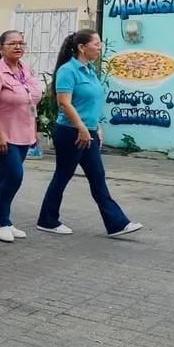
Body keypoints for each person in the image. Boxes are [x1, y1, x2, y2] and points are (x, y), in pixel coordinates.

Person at [37, 31, 142, 238]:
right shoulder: (68, 71)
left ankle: (117, 224)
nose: (100, 48)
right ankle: (47, 220)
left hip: (88, 132)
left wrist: (96, 127)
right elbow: (64, 103)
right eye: (96, 43)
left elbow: (91, 103)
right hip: (71, 133)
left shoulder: (90, 71)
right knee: (63, 175)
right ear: (82, 47)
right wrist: (82, 128)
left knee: (97, 177)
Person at [0, 30, 43, 243]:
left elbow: (30, 102)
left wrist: (34, 129)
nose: (18, 47)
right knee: (14, 176)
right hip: (4, 134)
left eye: (21, 43)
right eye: (12, 43)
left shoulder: (24, 69)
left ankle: (2, 220)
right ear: (1, 48)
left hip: (24, 133)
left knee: (6, 177)